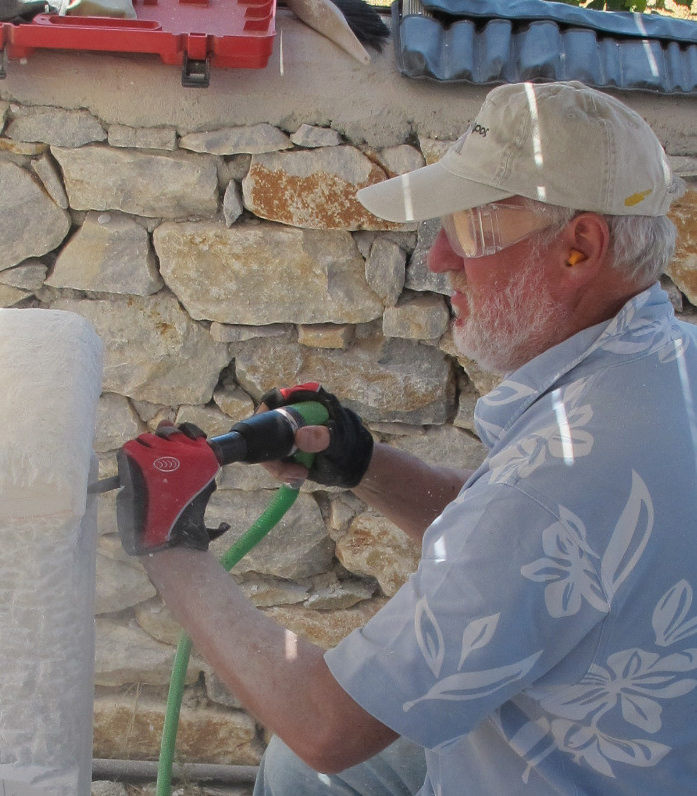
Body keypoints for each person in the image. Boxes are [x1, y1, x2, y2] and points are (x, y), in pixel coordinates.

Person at [125, 81, 697, 794]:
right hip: (641, 751)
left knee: (312, 757)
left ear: (581, 244)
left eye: (473, 228)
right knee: (297, 773)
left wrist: (171, 546)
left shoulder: (559, 474)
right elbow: (533, 551)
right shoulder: (666, 361)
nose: (439, 260)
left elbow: (326, 723)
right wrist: (362, 463)